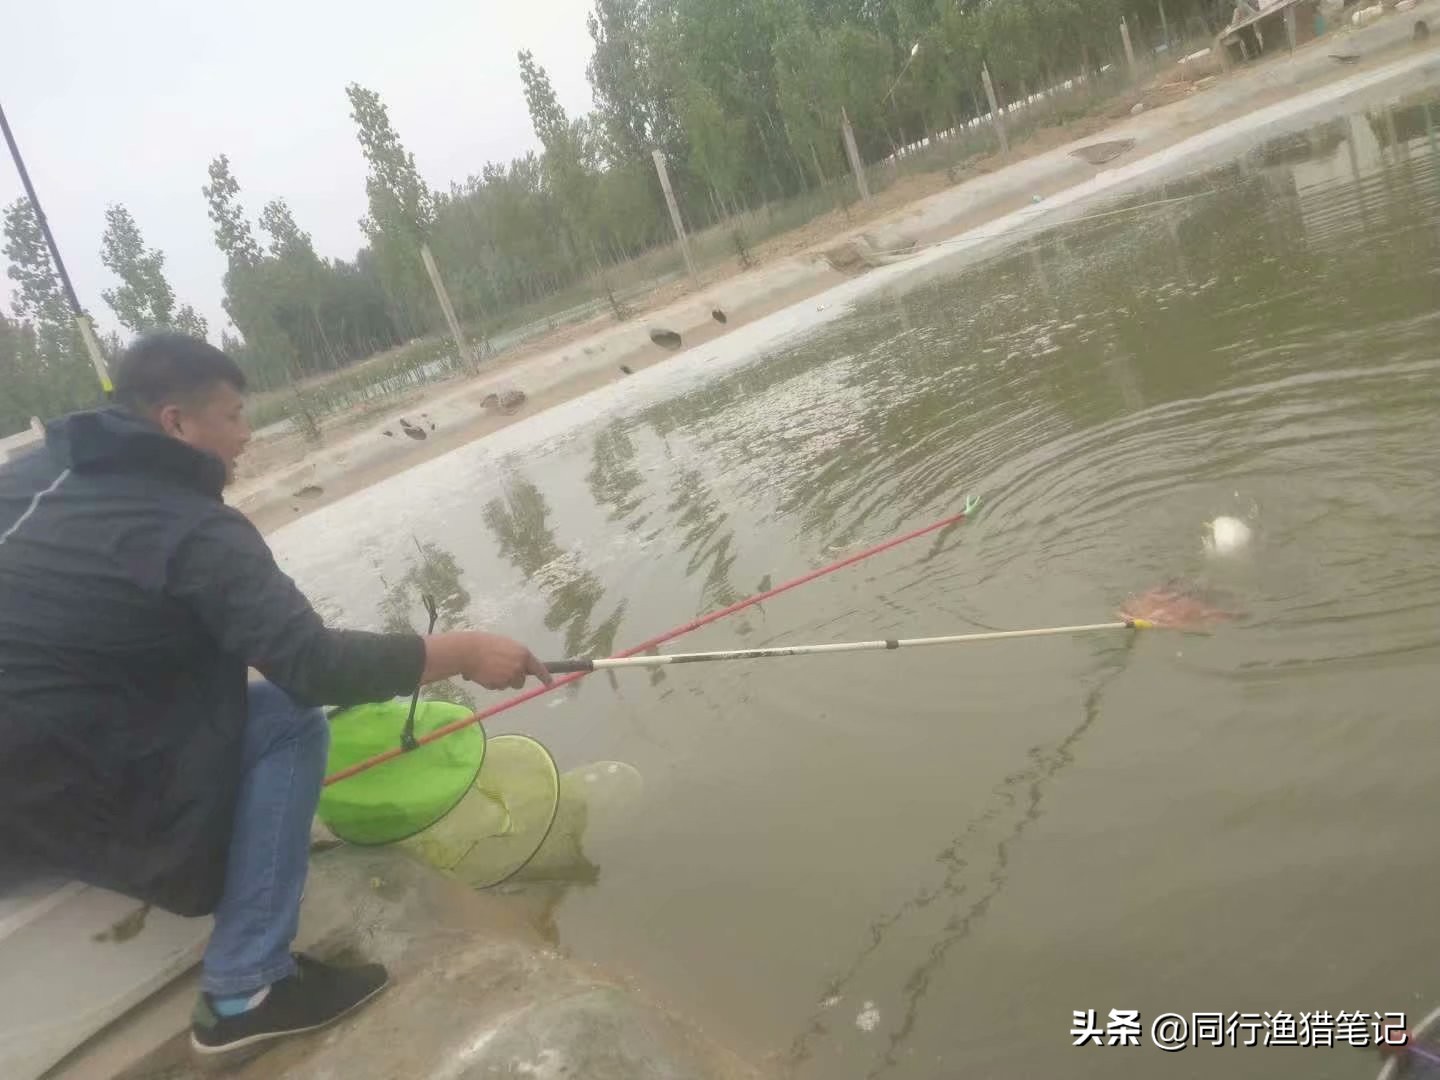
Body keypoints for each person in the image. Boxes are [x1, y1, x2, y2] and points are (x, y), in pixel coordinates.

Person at [0, 332, 553, 1057]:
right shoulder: (193, 529)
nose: (247, 435)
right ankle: (246, 989)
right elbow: (313, 663)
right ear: (174, 423)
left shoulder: (27, 475)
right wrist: (466, 651)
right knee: (286, 716)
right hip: (43, 796)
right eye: (232, 416)